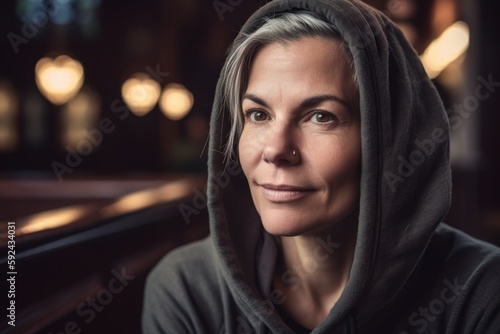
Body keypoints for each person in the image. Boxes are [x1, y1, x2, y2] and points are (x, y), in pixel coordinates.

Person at [142, 0, 500, 333]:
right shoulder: (187, 289)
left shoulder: (479, 291)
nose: (276, 150)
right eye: (258, 114)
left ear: (391, 140)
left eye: (320, 116)